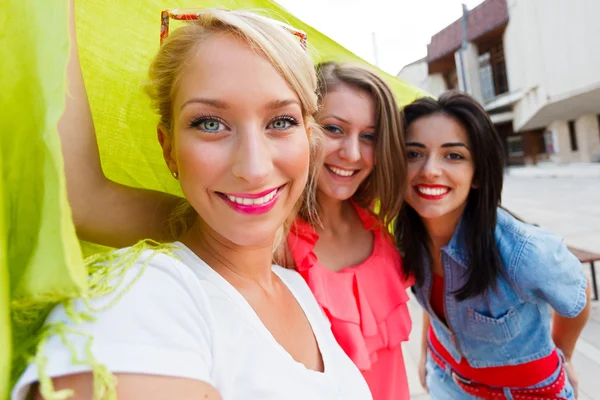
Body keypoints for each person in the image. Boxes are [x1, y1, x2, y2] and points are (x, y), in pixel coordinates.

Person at [11, 4, 373, 400]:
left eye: (280, 122)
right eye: (210, 123)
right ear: (169, 151)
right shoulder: (146, 295)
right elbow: (81, 196)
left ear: (308, 137)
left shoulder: (296, 285)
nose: (253, 168)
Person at [394, 91, 591, 399]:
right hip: (445, 379)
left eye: (454, 155)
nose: (430, 170)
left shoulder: (524, 251)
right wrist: (426, 355)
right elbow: (435, 305)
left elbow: (577, 299)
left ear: (476, 175)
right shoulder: (405, 237)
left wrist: (562, 357)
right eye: (413, 153)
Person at [283, 61, 413, 400]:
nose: (353, 153)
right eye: (334, 129)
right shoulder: (273, 239)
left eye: (369, 136)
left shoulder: (383, 226)